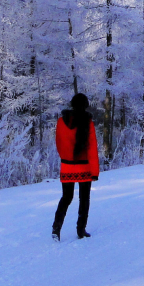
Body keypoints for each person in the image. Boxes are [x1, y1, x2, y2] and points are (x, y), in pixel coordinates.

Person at [52, 93, 99, 241]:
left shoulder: (61, 121)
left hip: (67, 165)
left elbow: (59, 142)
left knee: (66, 197)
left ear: (72, 104)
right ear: (85, 105)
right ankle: (81, 230)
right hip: (84, 167)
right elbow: (92, 148)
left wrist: (65, 158)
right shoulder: (87, 122)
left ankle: (56, 228)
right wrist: (95, 171)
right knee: (84, 198)